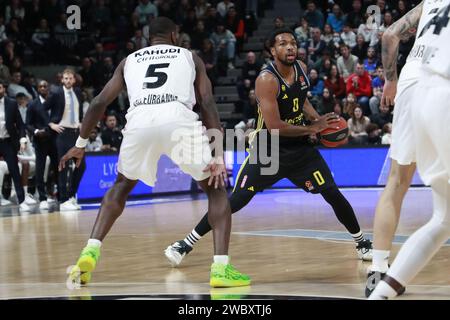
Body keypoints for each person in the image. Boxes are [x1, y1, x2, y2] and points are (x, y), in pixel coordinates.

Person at [63, 17, 250, 288]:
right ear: (174, 35)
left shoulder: (129, 60)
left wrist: (80, 145)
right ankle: (221, 269)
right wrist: (218, 155)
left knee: (121, 186)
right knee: (216, 189)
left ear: (147, 38)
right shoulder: (190, 57)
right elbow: (207, 102)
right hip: (178, 118)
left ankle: (90, 250)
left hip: (139, 121)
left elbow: (99, 102)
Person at [165, 28, 373, 267]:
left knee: (332, 193)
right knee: (236, 200)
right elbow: (274, 125)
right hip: (268, 148)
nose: (290, 47)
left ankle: (361, 242)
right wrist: (312, 128)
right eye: (283, 44)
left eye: (293, 43)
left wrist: (316, 121)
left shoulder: (302, 69)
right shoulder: (266, 80)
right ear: (272, 51)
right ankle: (185, 244)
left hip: (300, 149)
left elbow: (301, 98)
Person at [368, 0, 450, 299]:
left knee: (398, 181)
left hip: (416, 80)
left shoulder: (431, 1)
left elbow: (389, 34)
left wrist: (390, 80)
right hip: (445, 86)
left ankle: (377, 271)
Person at [46, 69, 85, 211]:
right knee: (63, 166)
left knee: (81, 166)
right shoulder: (56, 93)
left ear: (74, 80)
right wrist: (51, 124)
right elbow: (42, 108)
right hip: (62, 133)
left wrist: (80, 122)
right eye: (65, 78)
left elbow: (79, 111)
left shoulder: (78, 93)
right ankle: (63, 201)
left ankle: (71, 196)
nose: (68, 81)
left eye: (70, 78)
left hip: (76, 134)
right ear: (62, 80)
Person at [26, 80, 58, 210]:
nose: (43, 88)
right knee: (40, 168)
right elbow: (27, 124)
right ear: (38, 89)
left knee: (57, 167)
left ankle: (61, 196)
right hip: (40, 140)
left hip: (55, 139)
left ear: (48, 88)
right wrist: (36, 131)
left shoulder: (54, 103)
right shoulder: (33, 104)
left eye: (45, 86)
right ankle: (43, 198)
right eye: (41, 86)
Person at [0, 80, 30, 211]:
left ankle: (22, 200)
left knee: (14, 170)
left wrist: (22, 139)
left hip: (7, 141)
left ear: (3, 89)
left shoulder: (11, 103)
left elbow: (20, 124)